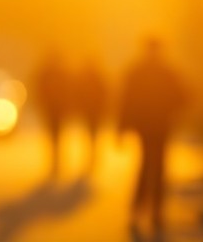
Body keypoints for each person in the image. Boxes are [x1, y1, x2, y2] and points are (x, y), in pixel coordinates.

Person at [119, 37, 189, 234]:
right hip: (159, 127)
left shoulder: (138, 72)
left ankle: (140, 209)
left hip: (150, 127)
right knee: (157, 167)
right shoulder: (166, 72)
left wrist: (123, 127)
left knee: (147, 165)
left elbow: (126, 101)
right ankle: (155, 211)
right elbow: (183, 97)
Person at [33, 49, 73, 178]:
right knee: (55, 137)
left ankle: (56, 162)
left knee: (56, 137)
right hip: (53, 110)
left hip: (57, 110)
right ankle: (56, 162)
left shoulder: (54, 73)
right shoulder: (50, 73)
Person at [73, 58, 109, 172]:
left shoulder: (87, 78)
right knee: (92, 134)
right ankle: (92, 155)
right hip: (93, 111)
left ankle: (92, 156)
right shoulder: (98, 77)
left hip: (92, 111)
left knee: (90, 134)